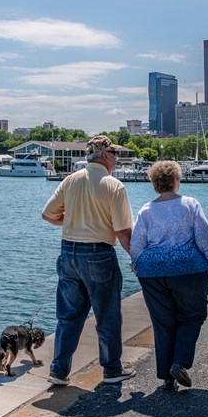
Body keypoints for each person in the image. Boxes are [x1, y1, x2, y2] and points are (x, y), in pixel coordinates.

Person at [41, 135, 136, 386]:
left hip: (69, 252)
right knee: (107, 316)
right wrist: (138, 258)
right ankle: (112, 370)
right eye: (114, 154)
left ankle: (59, 371)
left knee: (68, 316)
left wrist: (71, 220)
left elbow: (48, 214)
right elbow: (123, 231)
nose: (117, 158)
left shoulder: (70, 180)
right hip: (98, 254)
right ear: (105, 156)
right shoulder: (113, 185)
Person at [130, 160, 208, 391]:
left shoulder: (146, 210)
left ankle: (166, 376)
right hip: (187, 268)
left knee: (163, 322)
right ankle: (179, 362)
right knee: (192, 316)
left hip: (152, 272)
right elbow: (203, 236)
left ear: (155, 184)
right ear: (176, 181)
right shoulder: (190, 204)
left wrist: (137, 264)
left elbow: (137, 243)